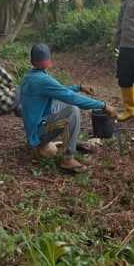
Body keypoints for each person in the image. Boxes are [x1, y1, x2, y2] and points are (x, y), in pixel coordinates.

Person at [20, 43, 118, 173]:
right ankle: (67, 159)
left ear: (32, 60)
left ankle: (66, 144)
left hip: (35, 127)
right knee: (72, 110)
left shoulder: (31, 76)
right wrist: (103, 105)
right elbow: (71, 98)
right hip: (37, 133)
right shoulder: (42, 80)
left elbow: (58, 90)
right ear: (48, 60)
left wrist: (79, 87)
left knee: (66, 106)